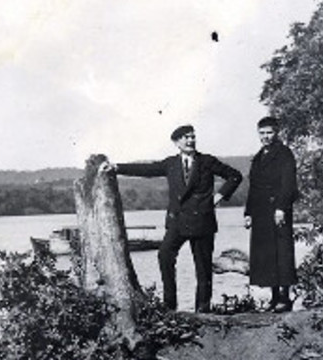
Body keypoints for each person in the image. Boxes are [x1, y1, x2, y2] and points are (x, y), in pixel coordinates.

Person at [101, 124, 243, 312]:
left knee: (203, 268)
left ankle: (202, 309)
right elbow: (146, 169)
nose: (190, 140)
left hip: (203, 221)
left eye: (193, 137)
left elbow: (235, 176)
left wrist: (218, 197)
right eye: (185, 137)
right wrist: (117, 167)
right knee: (165, 255)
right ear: (176, 142)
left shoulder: (207, 161)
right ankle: (169, 306)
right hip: (177, 221)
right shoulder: (171, 164)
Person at [244, 115, 298, 312]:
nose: (266, 136)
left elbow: (289, 185)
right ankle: (274, 297)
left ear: (277, 133)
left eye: (269, 133)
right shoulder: (258, 157)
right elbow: (253, 188)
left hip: (278, 211)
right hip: (261, 214)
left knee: (282, 253)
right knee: (267, 255)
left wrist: (281, 208)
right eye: (262, 133)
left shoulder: (284, 154)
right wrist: (248, 213)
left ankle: (285, 296)